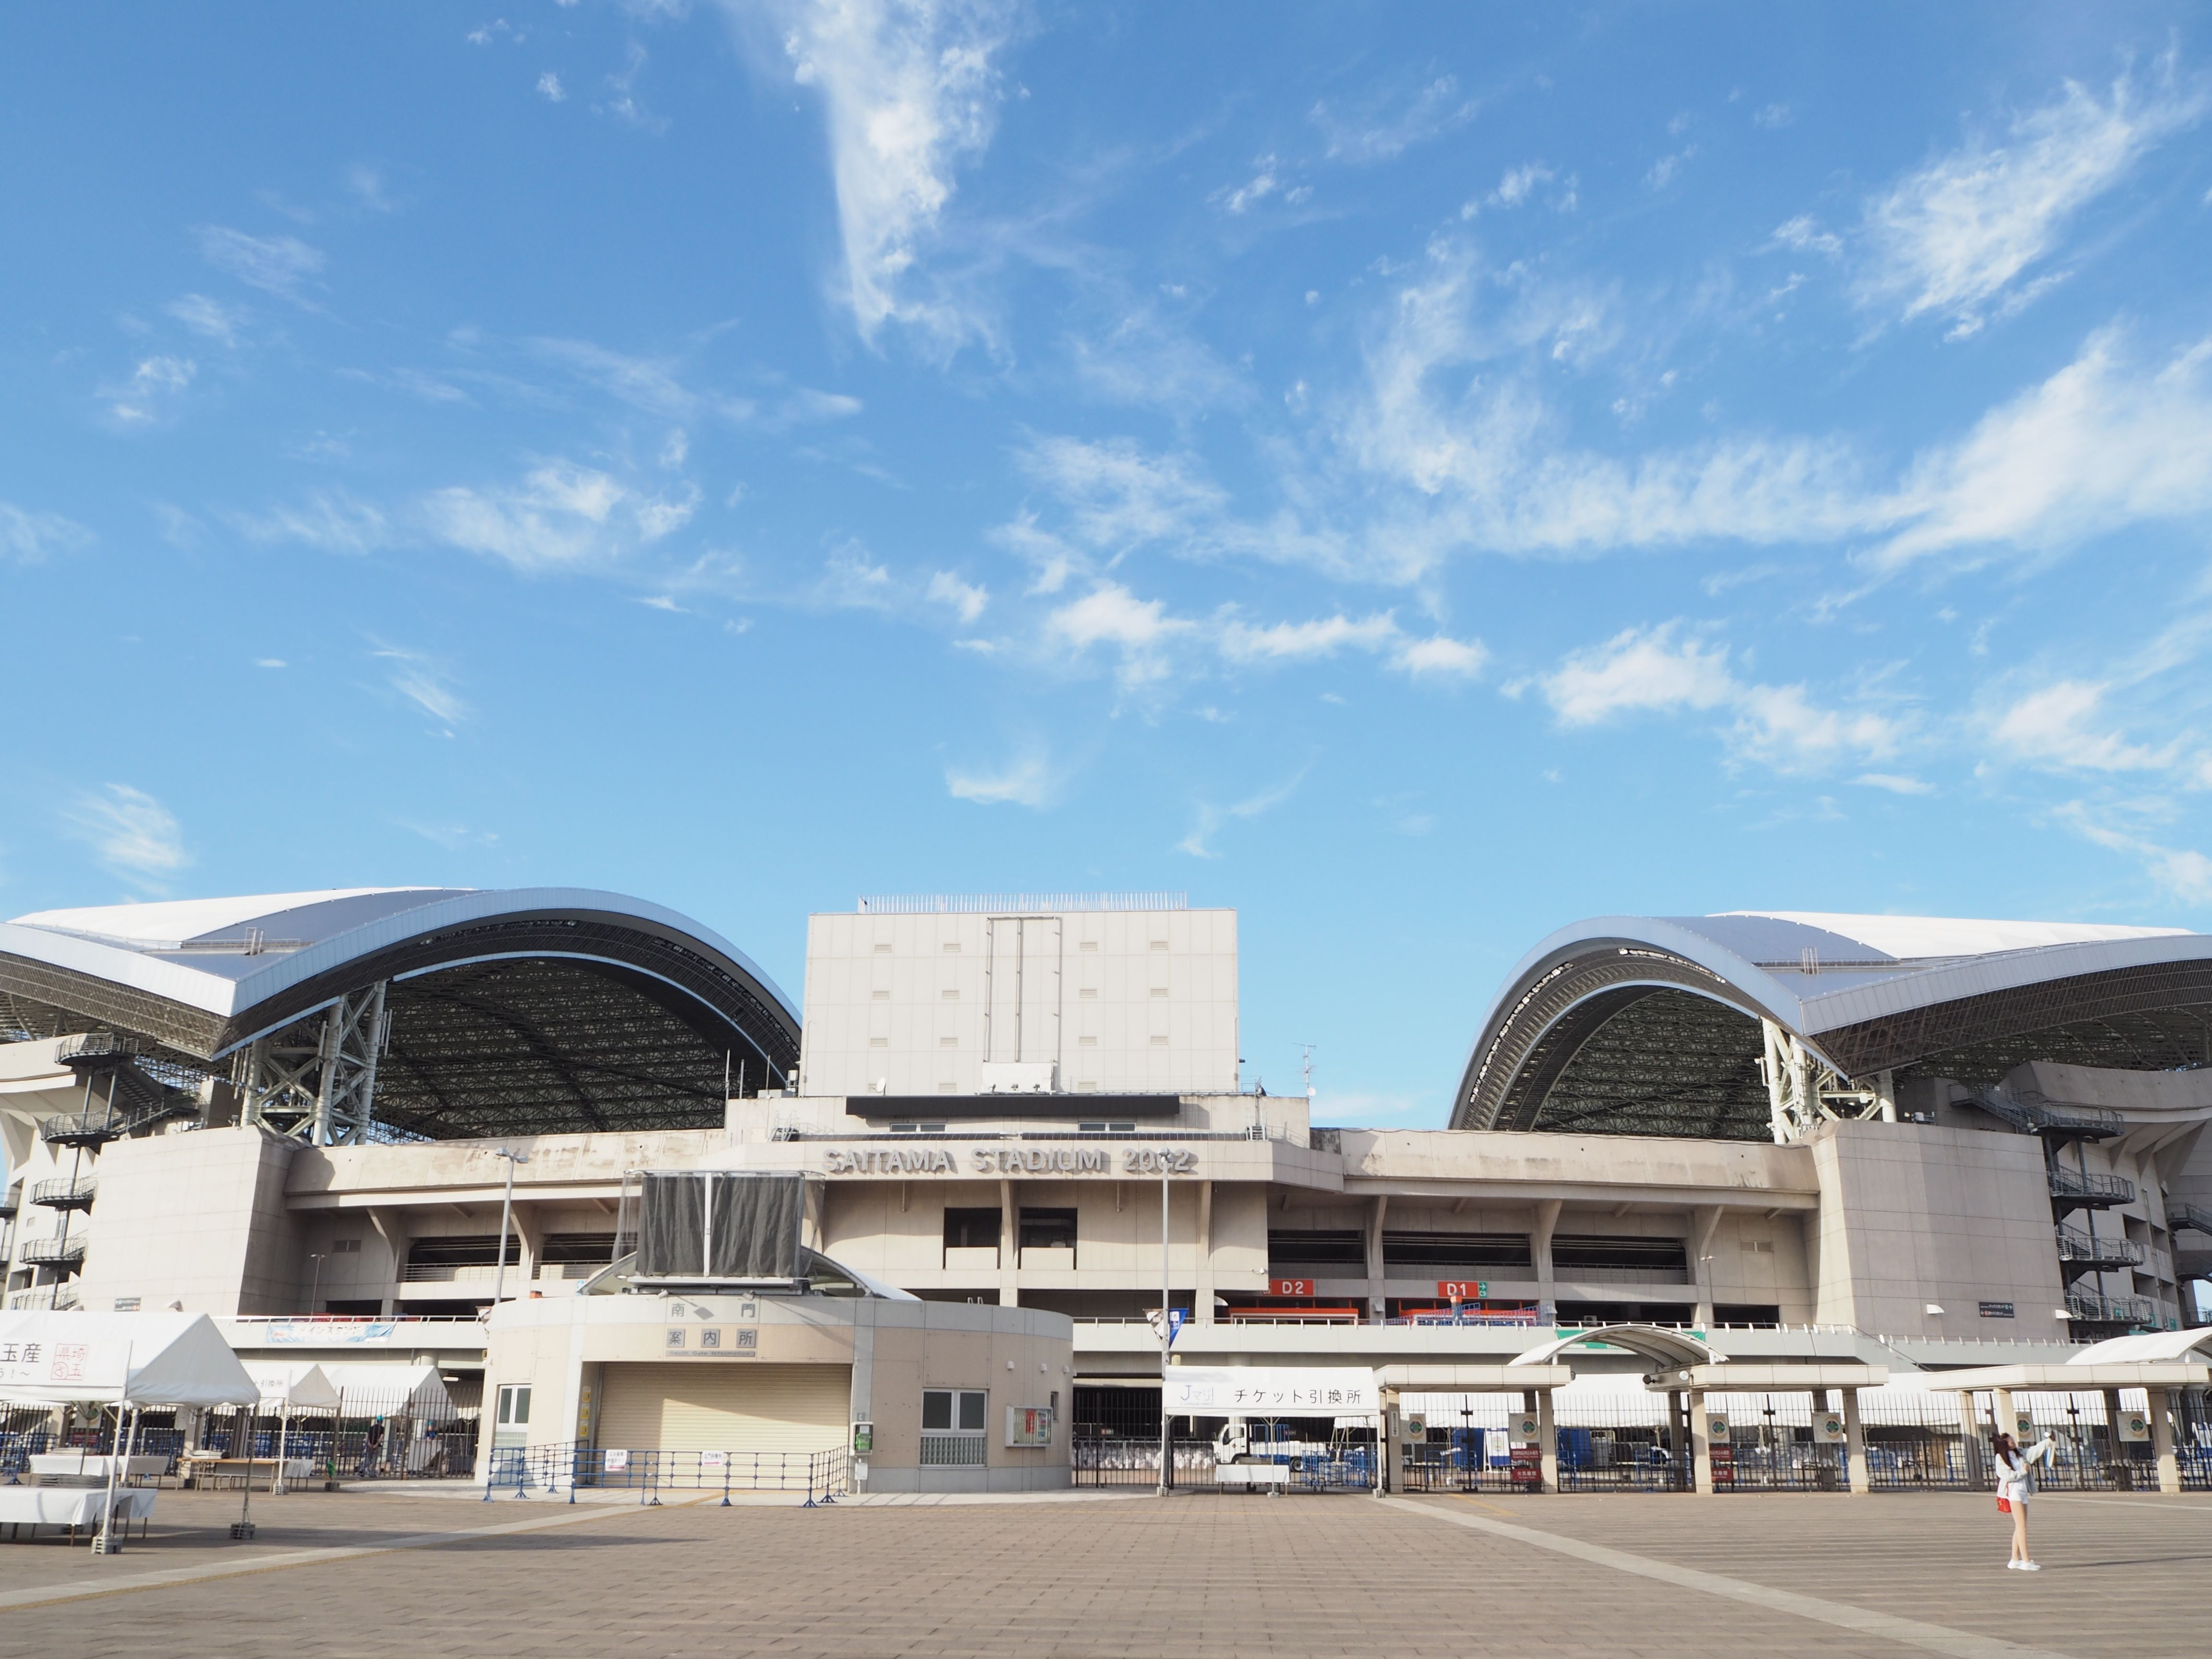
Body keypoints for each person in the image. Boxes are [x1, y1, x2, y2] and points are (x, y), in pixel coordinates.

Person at [1991, 1429, 2056, 1569]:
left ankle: (2015, 1559)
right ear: (2003, 1444)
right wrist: (2024, 1472)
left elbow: (2033, 1451)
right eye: (2009, 1441)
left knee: (2020, 1526)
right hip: (2013, 1492)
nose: (2013, 1442)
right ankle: (2026, 1561)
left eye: (2012, 1440)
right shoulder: (2000, 1458)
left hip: (2022, 1491)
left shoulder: (2019, 1453)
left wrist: (2048, 1442)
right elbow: (2007, 1475)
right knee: (2022, 1527)